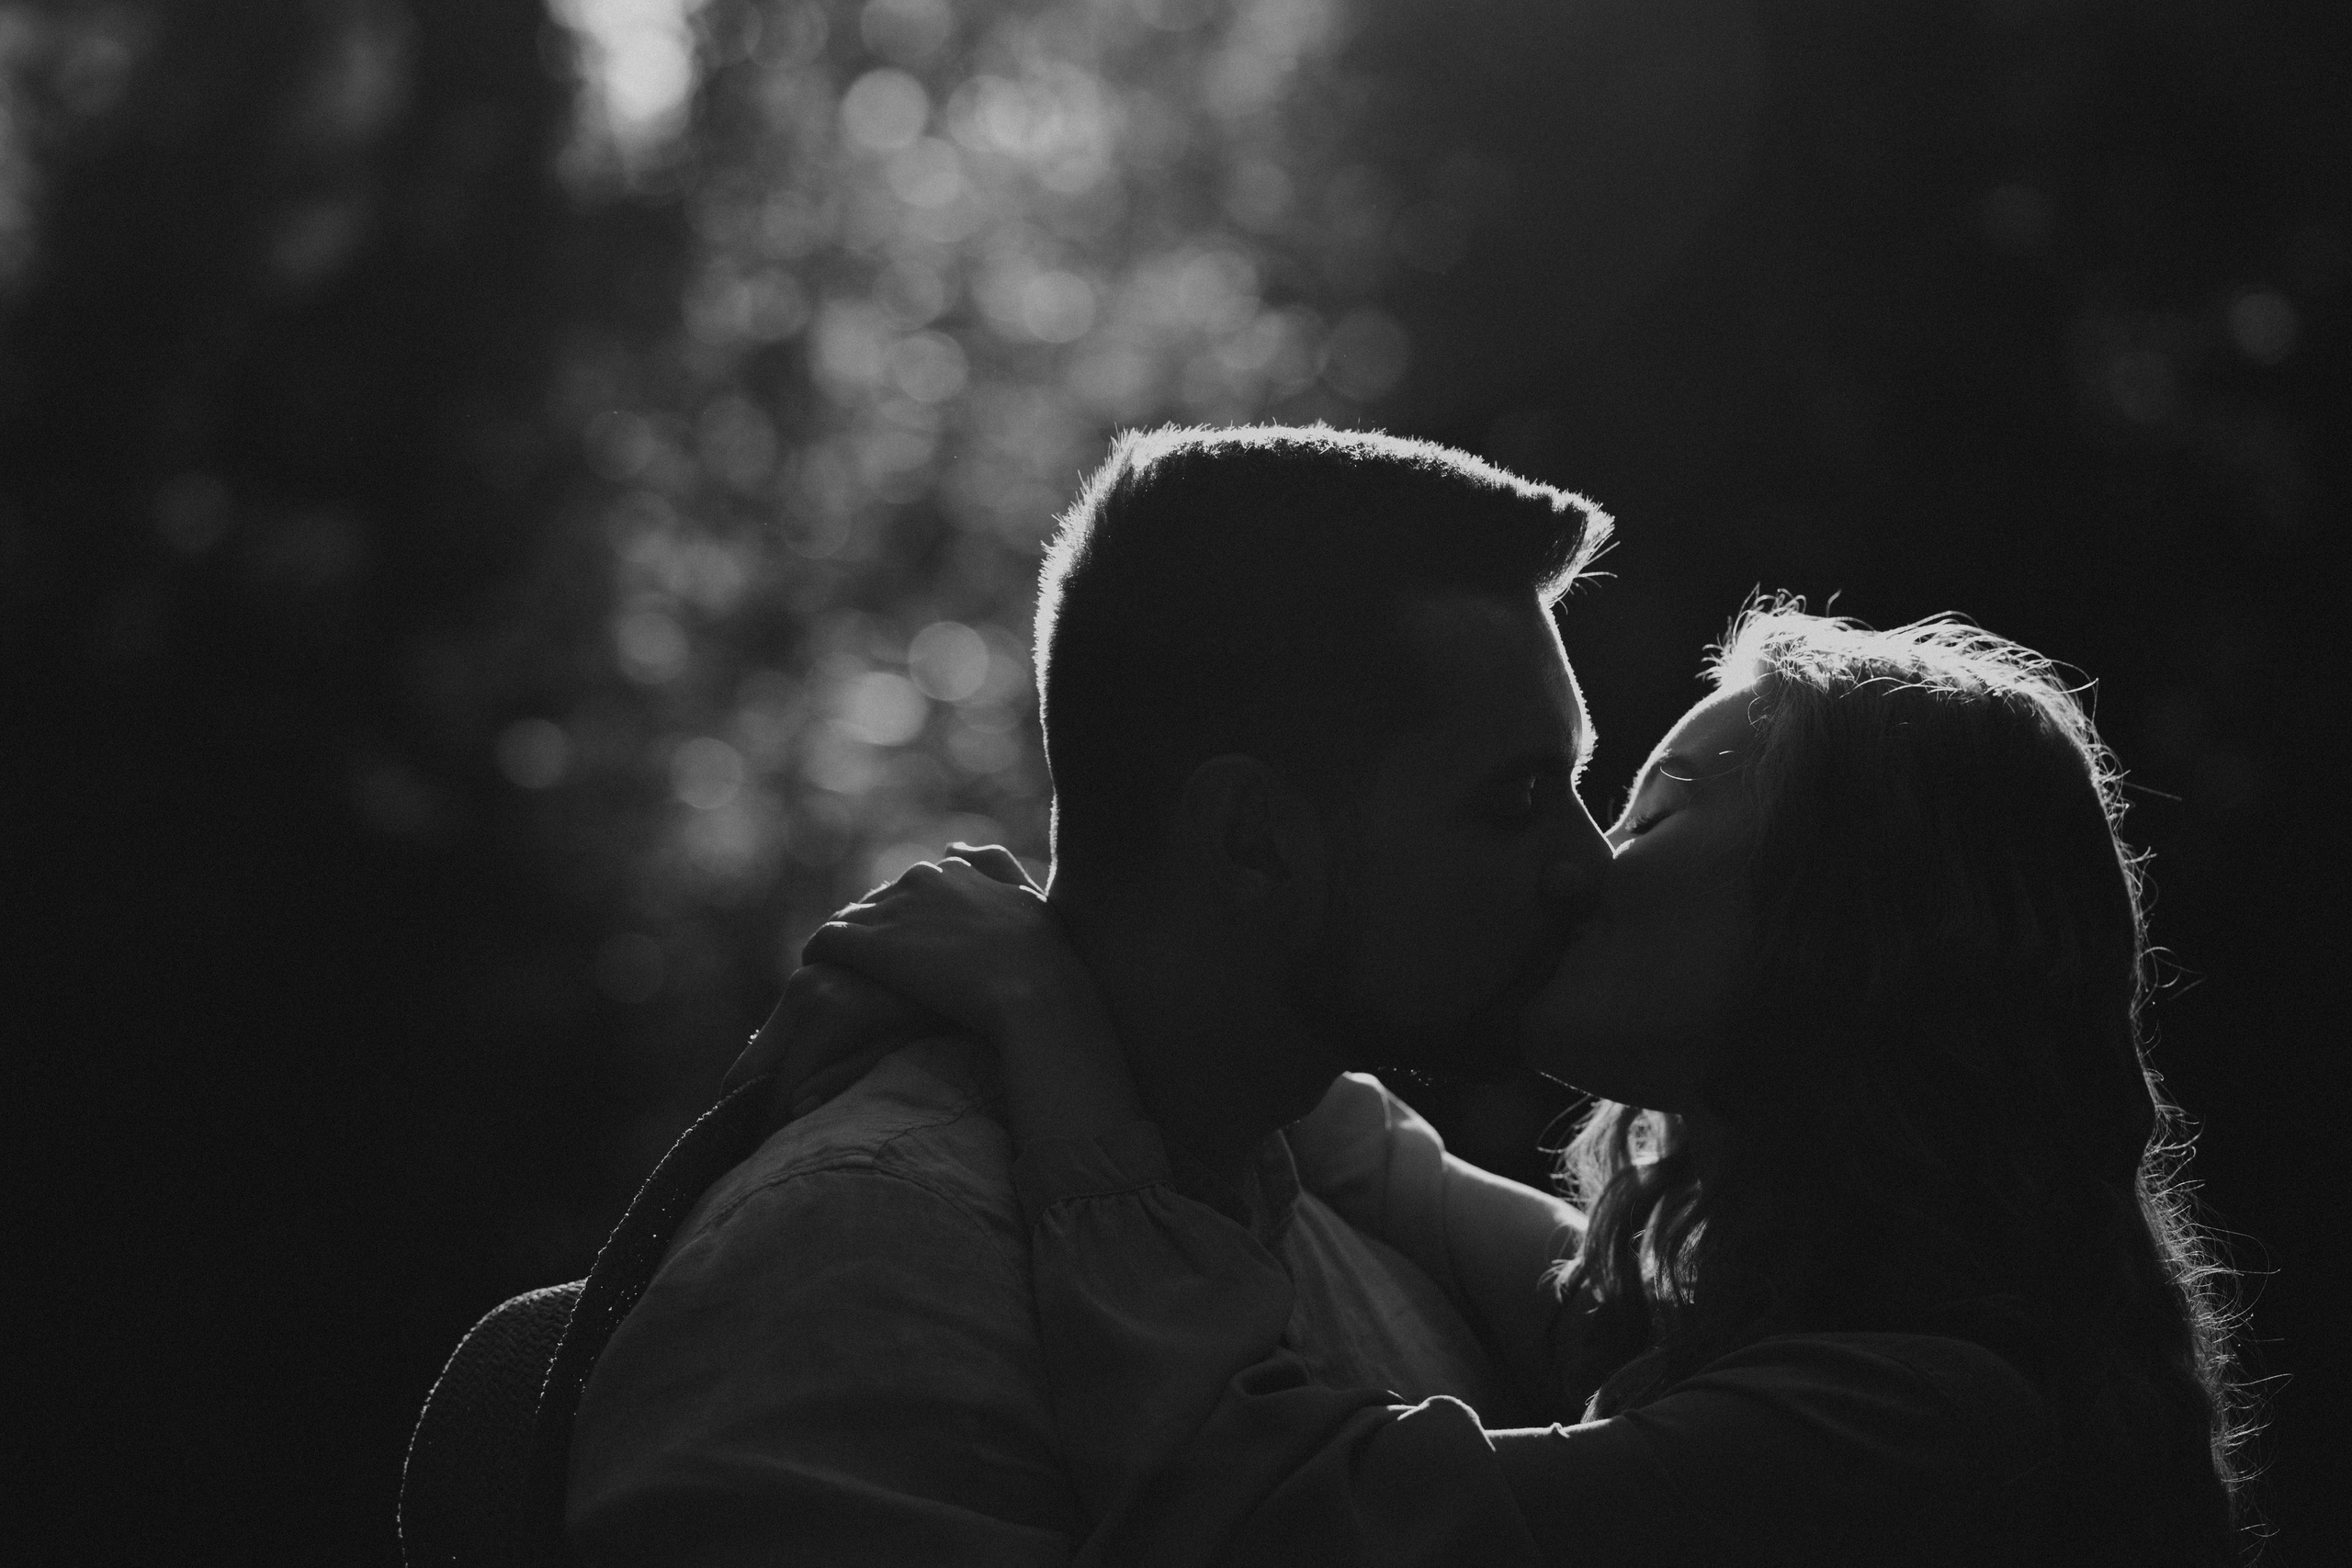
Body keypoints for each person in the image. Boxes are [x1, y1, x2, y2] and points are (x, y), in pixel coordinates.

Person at [786, 602, 2252, 1567]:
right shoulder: (1761, 1320)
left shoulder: (1918, 1430)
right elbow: (1403, 1180)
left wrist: (1050, 1020)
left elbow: (1278, 1525)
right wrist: (1178, 950)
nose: (1585, 862)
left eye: (1658, 803)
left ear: (1855, 926)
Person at [562, 424, 1620, 1563]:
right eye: (1513, 799)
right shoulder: (859, 1270)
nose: (1592, 864)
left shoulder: (1379, 1260)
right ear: (1254, 843)